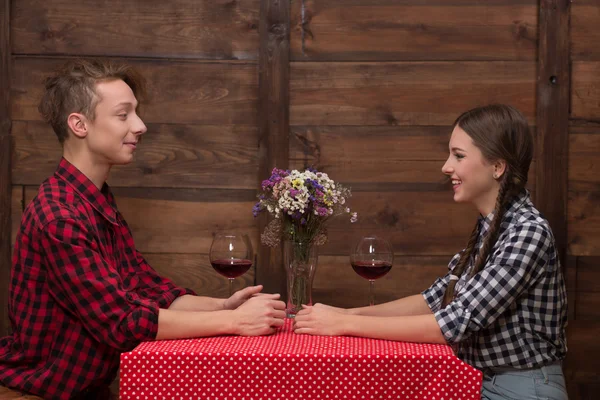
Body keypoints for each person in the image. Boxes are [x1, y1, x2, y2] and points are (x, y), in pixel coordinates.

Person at [0, 59, 286, 400]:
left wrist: (223, 307)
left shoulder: (93, 200)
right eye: (123, 115)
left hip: (90, 390)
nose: (140, 126)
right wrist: (236, 324)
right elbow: (121, 323)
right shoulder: (60, 217)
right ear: (79, 124)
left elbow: (144, 288)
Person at [294, 104, 569, 400]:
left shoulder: (528, 232)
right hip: (483, 381)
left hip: (523, 389)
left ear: (497, 167)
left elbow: (455, 322)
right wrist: (345, 312)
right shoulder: (492, 228)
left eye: (459, 156)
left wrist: (344, 324)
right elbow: (434, 300)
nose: (446, 166)